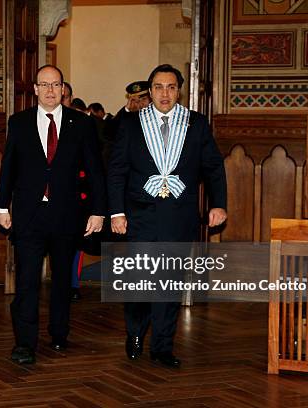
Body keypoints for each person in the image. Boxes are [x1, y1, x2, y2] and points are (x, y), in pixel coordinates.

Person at [108, 64, 227, 368]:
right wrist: (116, 212)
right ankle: (135, 332)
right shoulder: (132, 124)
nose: (165, 93)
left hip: (179, 216)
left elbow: (213, 167)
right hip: (139, 215)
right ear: (150, 91)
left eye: (171, 87)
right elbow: (117, 171)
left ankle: (162, 347)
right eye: (159, 87)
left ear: (179, 90)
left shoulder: (196, 124)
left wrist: (218, 204)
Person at [0, 64, 106, 365]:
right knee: (27, 280)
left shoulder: (81, 124)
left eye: (55, 85)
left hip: (67, 214)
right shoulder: (18, 122)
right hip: (28, 215)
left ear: (63, 90)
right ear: (35, 89)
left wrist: (98, 211)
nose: (49, 90)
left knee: (61, 280)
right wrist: (2, 206)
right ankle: (25, 343)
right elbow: (9, 167)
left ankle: (59, 332)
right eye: (43, 85)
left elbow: (96, 170)